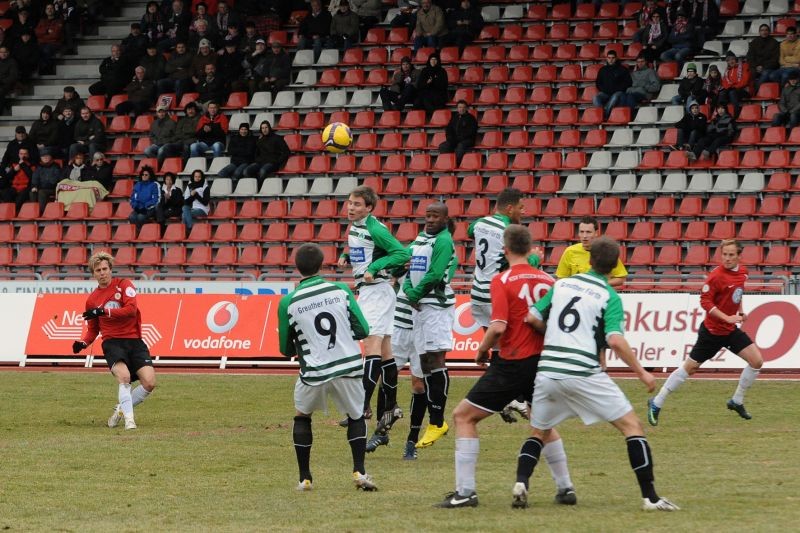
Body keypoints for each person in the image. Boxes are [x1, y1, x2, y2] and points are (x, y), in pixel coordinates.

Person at [518, 237, 679, 512]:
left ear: (590, 260)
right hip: (584, 371)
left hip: (548, 370)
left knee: (539, 431)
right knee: (632, 427)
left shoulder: (563, 284)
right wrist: (642, 373)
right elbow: (615, 340)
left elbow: (531, 318)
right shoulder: (609, 296)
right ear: (615, 265)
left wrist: (556, 337)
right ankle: (650, 498)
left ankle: (521, 483)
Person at [435, 225, 575, 508]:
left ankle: (466, 492)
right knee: (543, 423)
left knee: (464, 416)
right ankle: (565, 488)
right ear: (530, 248)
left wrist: (482, 348)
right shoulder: (549, 280)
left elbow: (498, 326)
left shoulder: (502, 280)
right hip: (544, 363)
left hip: (513, 361)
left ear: (506, 250)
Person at [278, 243, 377, 492]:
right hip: (349, 365)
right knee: (356, 415)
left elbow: (285, 349)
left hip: (314, 371)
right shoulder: (342, 290)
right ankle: (360, 472)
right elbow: (363, 330)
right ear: (322, 264)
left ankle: (305, 478)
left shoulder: (288, 301)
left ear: (296, 267)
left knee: (302, 416)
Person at [652, 238, 764, 425]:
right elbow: (705, 302)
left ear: (739, 256)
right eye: (724, 255)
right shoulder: (716, 276)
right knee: (690, 368)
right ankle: (656, 402)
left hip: (729, 330)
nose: (727, 259)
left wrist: (740, 311)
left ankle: (737, 400)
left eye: (731, 255)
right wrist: (727, 317)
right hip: (711, 332)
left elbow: (737, 294)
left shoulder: (743, 273)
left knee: (757, 361)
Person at [338, 186, 410, 428]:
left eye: (357, 204)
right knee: (386, 353)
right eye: (350, 202)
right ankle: (392, 405)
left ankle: (361, 407)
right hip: (373, 292)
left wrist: (375, 267)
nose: (351, 207)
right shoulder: (357, 226)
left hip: (377, 292)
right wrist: (348, 257)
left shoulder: (376, 228)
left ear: (369, 208)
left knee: (370, 348)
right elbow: (364, 250)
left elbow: (401, 254)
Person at [72, 251, 157, 430]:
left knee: (149, 383)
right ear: (93, 274)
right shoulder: (92, 300)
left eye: (104, 269)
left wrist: (104, 312)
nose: (102, 273)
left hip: (134, 341)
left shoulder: (124, 285)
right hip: (112, 343)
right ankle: (130, 421)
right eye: (98, 270)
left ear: (111, 269)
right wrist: (83, 343)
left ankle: (121, 408)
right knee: (124, 377)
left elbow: (131, 310)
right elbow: (93, 329)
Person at [403, 202, 457, 449]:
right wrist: (409, 291)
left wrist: (414, 293)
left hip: (436, 306)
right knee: (424, 361)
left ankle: (437, 421)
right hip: (420, 306)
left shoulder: (444, 241)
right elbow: (406, 268)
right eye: (428, 215)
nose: (430, 219)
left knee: (436, 360)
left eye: (435, 216)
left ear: (446, 218)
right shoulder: (420, 239)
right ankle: (435, 421)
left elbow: (435, 274)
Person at [556, 217, 628, 288]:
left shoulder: (605, 250)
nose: (584, 236)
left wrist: (598, 284)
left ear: (596, 233)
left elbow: (621, 278)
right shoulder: (570, 251)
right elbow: (561, 278)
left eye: (588, 232)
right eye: (582, 232)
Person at [246, 120, 290, 186]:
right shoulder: (260, 140)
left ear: (269, 128)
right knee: (246, 171)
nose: (264, 130)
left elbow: (287, 151)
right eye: (262, 128)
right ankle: (253, 186)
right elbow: (256, 152)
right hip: (260, 162)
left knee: (262, 171)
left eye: (266, 127)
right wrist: (257, 160)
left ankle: (258, 188)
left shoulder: (277, 138)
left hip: (272, 163)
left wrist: (277, 161)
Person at [592, 50, 631, 120]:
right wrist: (603, 90)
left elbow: (628, 82)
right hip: (605, 93)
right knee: (595, 97)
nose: (611, 60)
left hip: (618, 93)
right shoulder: (602, 70)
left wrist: (618, 89)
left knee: (615, 96)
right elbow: (598, 83)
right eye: (609, 58)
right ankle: (601, 114)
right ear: (606, 58)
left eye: (613, 58)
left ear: (616, 58)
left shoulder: (622, 69)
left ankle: (605, 116)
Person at [438, 99, 478, 166]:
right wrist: (450, 138)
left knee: (460, 146)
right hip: (455, 139)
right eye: (460, 107)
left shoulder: (471, 118)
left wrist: (460, 138)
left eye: (463, 107)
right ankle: (447, 163)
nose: (461, 109)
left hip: (467, 140)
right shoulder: (454, 117)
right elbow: (448, 129)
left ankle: (456, 164)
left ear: (466, 108)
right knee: (443, 146)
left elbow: (471, 132)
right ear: (457, 108)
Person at [747, 24, 780, 90]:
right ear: (759, 32)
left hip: (769, 67)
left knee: (765, 73)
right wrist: (756, 66)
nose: (764, 32)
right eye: (762, 30)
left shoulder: (774, 43)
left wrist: (763, 67)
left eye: (766, 30)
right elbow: (750, 56)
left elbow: (775, 59)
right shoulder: (754, 42)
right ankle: (747, 91)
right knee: (750, 73)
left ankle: (755, 91)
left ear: (769, 31)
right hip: (755, 67)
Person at [719, 51, 751, 119]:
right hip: (733, 89)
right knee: (722, 93)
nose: (731, 61)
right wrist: (730, 87)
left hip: (744, 90)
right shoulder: (727, 70)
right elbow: (724, 82)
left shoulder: (743, 66)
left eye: (732, 59)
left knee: (732, 93)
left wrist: (734, 86)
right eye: (728, 60)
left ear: (735, 59)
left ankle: (736, 112)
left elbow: (745, 80)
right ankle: (725, 113)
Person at [35, 3, 64, 76]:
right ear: (45, 11)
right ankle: (43, 69)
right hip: (43, 43)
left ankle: (47, 70)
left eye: (51, 8)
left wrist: (43, 36)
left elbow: (55, 35)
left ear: (54, 10)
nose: (49, 10)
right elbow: (37, 32)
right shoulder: (42, 21)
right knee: (35, 50)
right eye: (48, 8)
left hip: (54, 43)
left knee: (46, 50)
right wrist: (47, 31)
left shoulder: (58, 21)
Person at [0, 46, 19, 114]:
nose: (3, 54)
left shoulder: (12, 62)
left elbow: (13, 76)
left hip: (7, 85)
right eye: (1, 52)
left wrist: (2, 81)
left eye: (5, 52)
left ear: (8, 53)